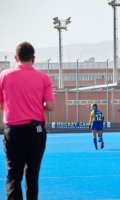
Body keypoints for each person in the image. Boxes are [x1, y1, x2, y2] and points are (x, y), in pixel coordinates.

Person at [0, 42, 55, 199]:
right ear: (33, 58)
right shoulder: (43, 77)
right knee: (32, 175)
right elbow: (50, 106)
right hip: (35, 131)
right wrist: (35, 105)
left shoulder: (4, 75)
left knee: (13, 175)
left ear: (16, 58)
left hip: (14, 131)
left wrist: (13, 106)